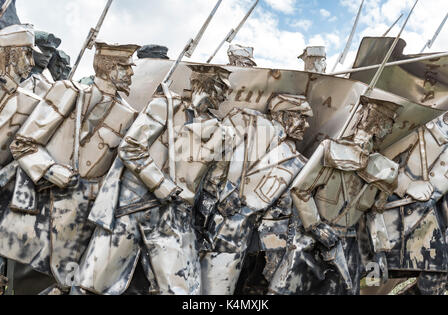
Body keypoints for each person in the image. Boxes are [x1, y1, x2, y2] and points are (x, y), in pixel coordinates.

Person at [74, 64, 233, 295]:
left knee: (181, 291)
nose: (226, 94)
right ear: (204, 83)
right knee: (92, 285)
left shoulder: (223, 134)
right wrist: (161, 185)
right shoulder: (165, 106)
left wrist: (205, 222)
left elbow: (212, 187)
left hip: (175, 218)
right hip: (132, 207)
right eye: (222, 86)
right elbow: (131, 148)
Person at [1, 41, 140, 294]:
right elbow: (24, 144)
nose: (131, 74)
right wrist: (49, 169)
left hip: (81, 223)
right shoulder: (67, 91)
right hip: (38, 213)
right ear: (108, 68)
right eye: (125, 67)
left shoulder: (129, 116)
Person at [270, 96, 402, 295]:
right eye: (388, 123)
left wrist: (380, 251)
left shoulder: (386, 169)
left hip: (347, 244)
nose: (390, 130)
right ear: (375, 122)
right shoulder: (331, 149)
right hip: (310, 239)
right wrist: (315, 225)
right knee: (284, 290)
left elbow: (375, 213)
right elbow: (300, 190)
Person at [198, 94, 313, 295]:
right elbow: (215, 157)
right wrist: (216, 194)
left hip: (241, 236)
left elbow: (283, 206)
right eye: (301, 117)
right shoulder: (247, 121)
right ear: (283, 115)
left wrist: (272, 249)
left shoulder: (297, 161)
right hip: (205, 218)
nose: (306, 125)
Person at [366, 112, 448, 295]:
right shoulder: (419, 131)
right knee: (372, 279)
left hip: (427, 227)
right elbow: (373, 160)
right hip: (388, 219)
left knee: (436, 275)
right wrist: (407, 184)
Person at [0, 24, 46, 294]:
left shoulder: (35, 99)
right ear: (7, 54)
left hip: (15, 197)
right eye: (26, 55)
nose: (31, 63)